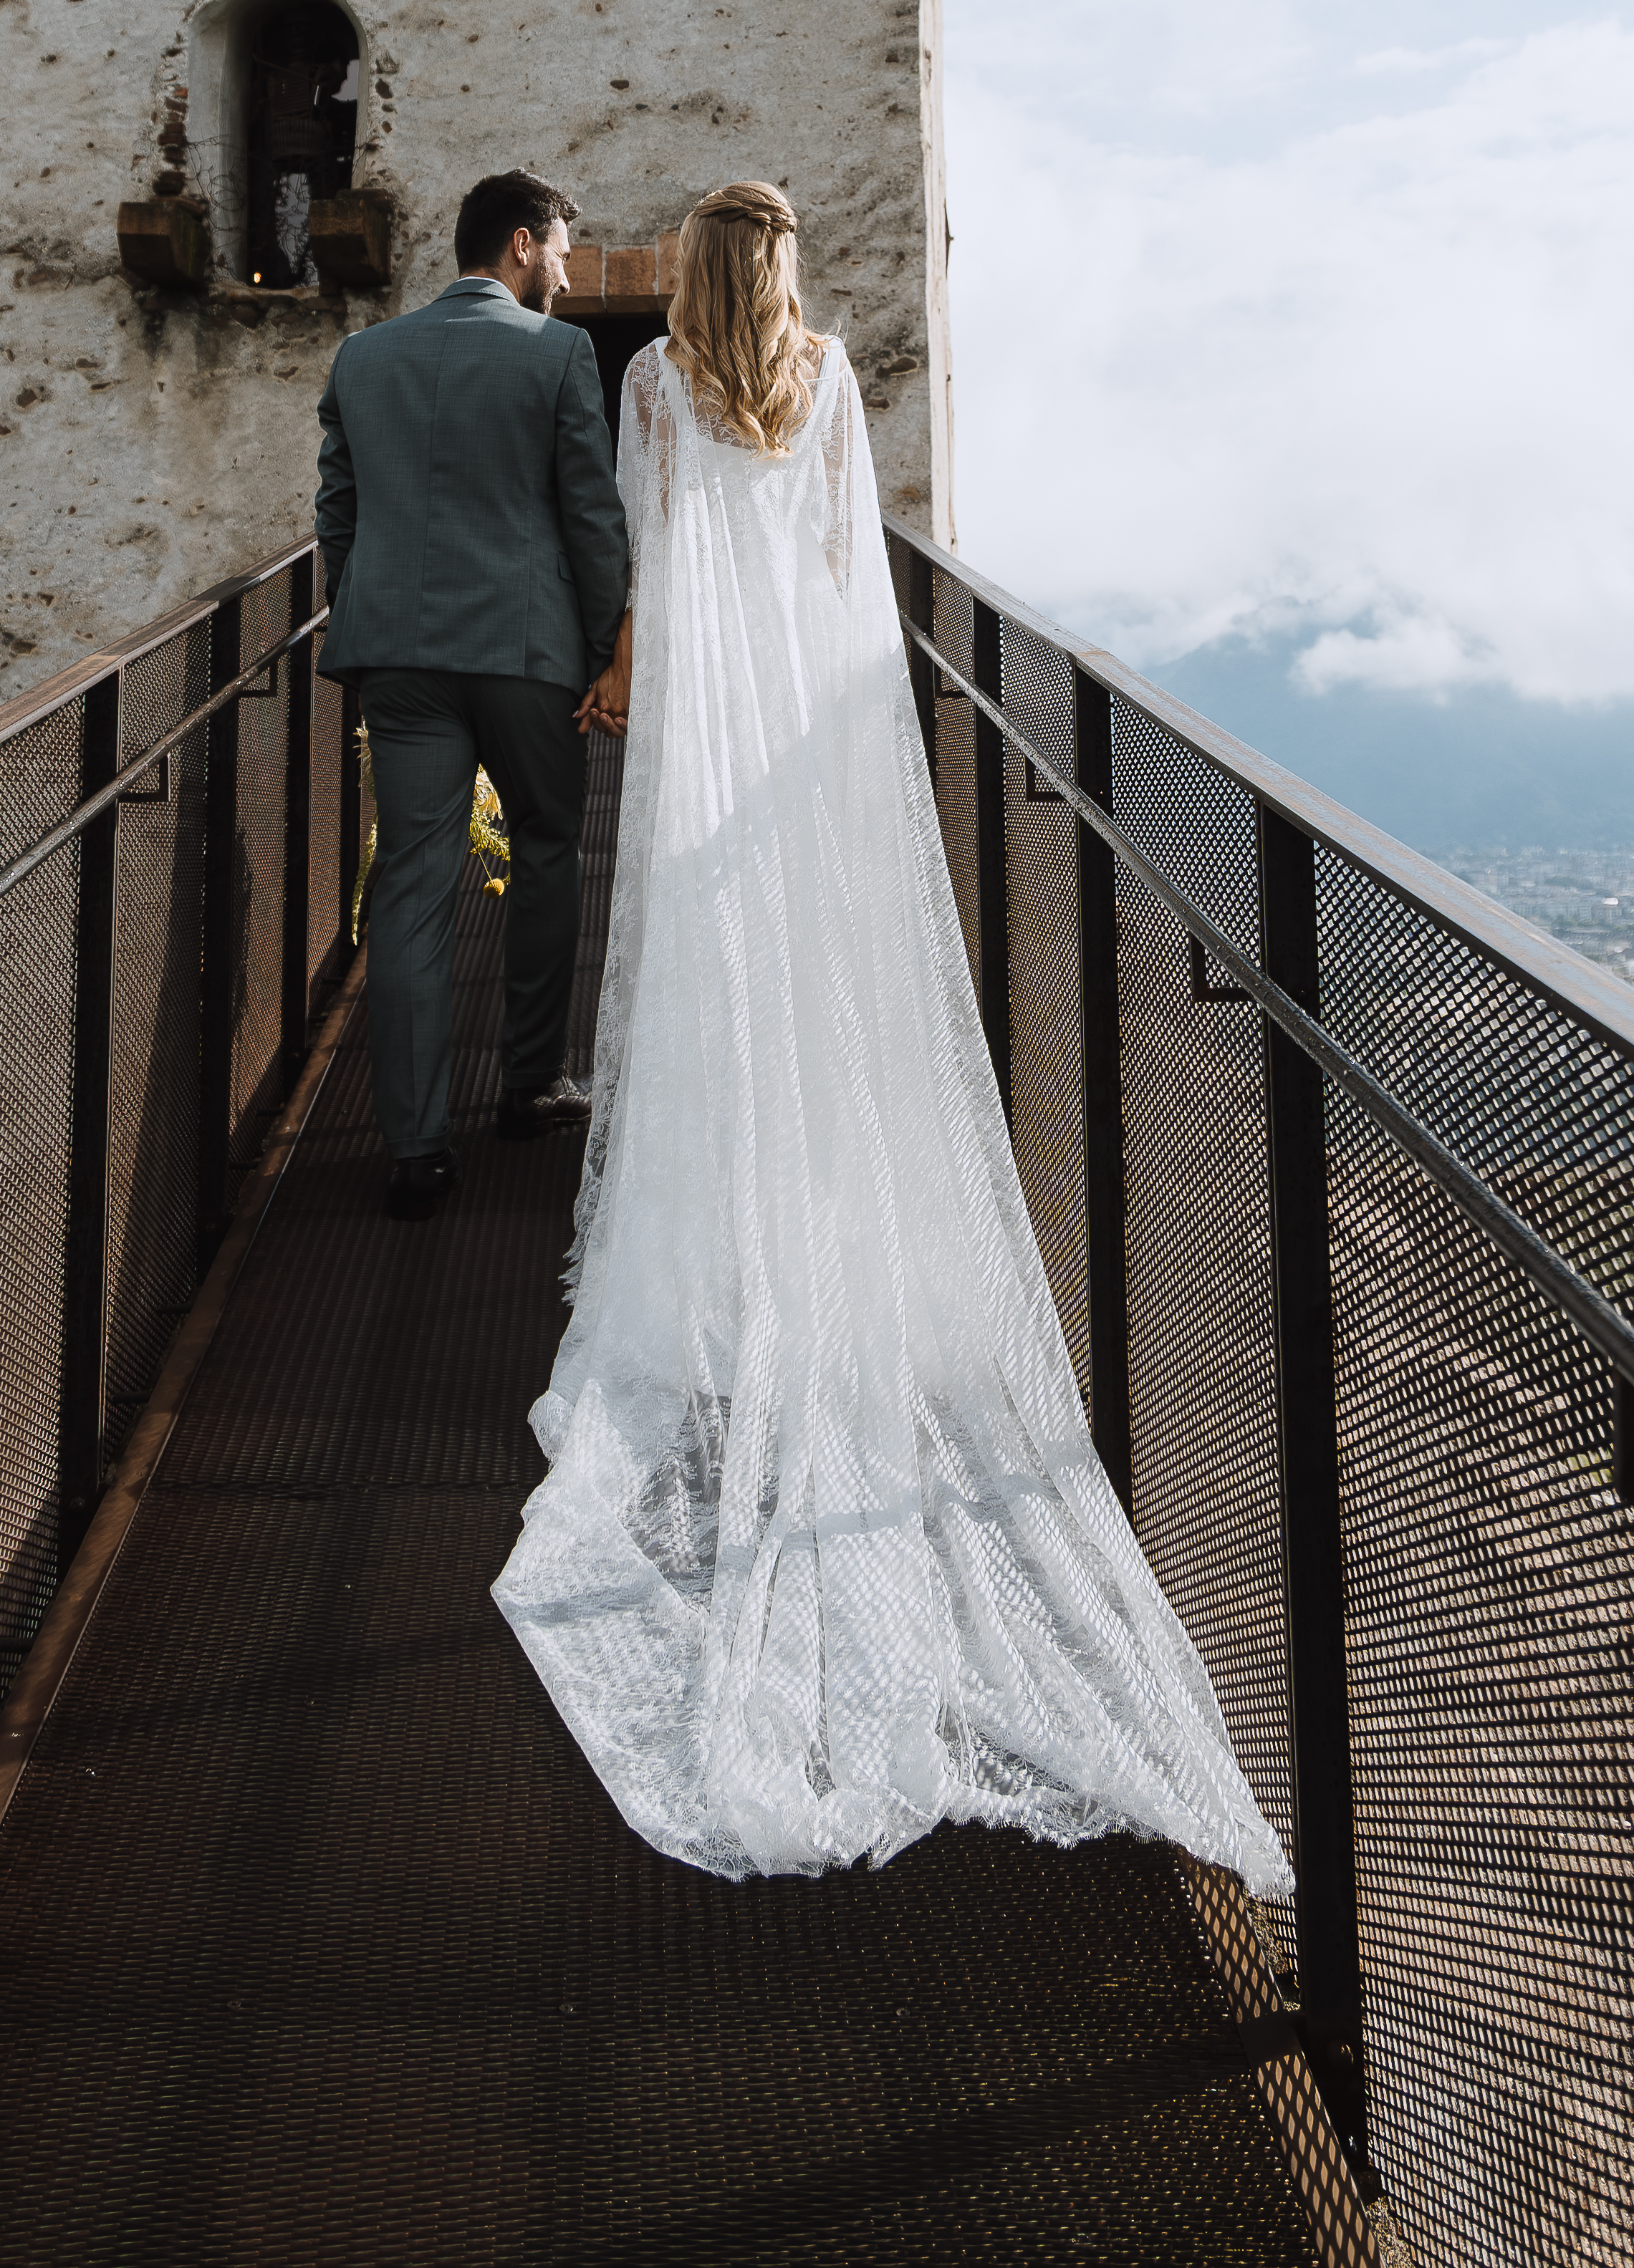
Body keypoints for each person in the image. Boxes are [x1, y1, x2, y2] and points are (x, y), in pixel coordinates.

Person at [493, 180, 1291, 1893]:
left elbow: (651, 554)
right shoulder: (835, 375)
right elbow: (850, 568)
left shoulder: (649, 389)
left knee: (714, 978)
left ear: (691, 274)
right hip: (811, 721)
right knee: (823, 975)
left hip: (713, 702)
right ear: (782, 269)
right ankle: (825, 1246)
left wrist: (636, 674)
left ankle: (708, 1263)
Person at [316, 168, 631, 1222]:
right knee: (548, 846)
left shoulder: (364, 357)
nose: (569, 270)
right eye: (562, 250)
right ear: (520, 245)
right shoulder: (558, 353)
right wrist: (605, 648)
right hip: (526, 652)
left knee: (413, 879)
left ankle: (415, 1145)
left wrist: (367, 618)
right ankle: (530, 1085)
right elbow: (590, 510)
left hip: (398, 657)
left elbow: (340, 513)